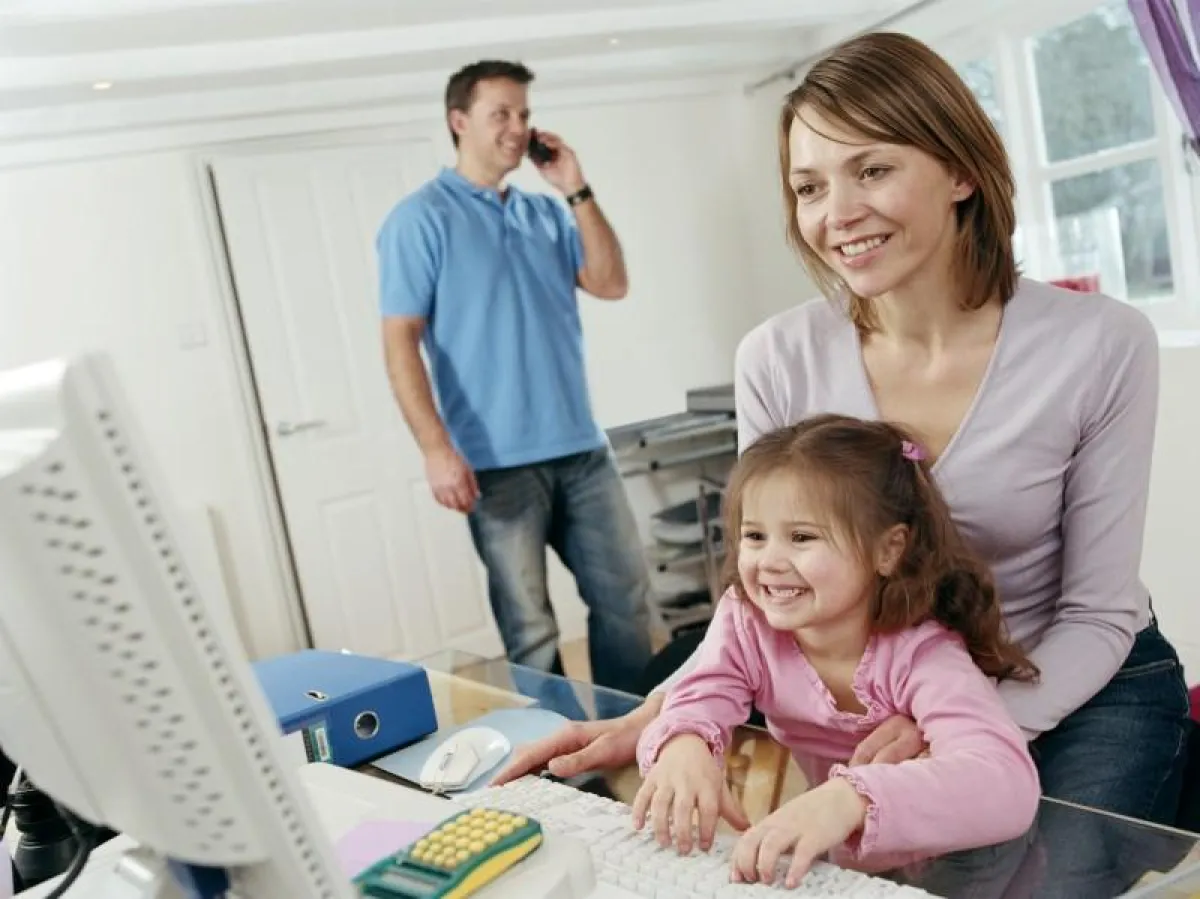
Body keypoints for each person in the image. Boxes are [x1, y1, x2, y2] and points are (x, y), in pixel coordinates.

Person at [494, 31, 1192, 831]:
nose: (838, 214)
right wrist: (668, 711)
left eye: (873, 169)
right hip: (888, 696)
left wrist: (957, 725)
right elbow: (764, 592)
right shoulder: (777, 359)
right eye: (809, 186)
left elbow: (1097, 615)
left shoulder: (1101, 342)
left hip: (1078, 688)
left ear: (963, 169)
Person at [631, 415, 1040, 888]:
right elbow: (701, 690)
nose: (770, 561)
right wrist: (684, 744)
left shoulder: (922, 655)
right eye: (755, 535)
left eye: (802, 537)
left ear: (888, 550)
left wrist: (851, 800)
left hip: (961, 871)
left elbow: (1006, 783)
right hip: (844, 864)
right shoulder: (747, 620)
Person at [376, 59, 654, 696]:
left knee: (628, 607)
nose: (518, 127)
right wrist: (435, 449)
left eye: (523, 114)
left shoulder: (546, 214)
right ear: (458, 121)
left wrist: (576, 190)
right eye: (500, 113)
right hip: (495, 466)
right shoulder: (420, 219)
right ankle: (558, 765)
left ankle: (629, 741)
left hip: (583, 451)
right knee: (530, 630)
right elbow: (399, 344)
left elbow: (611, 283)